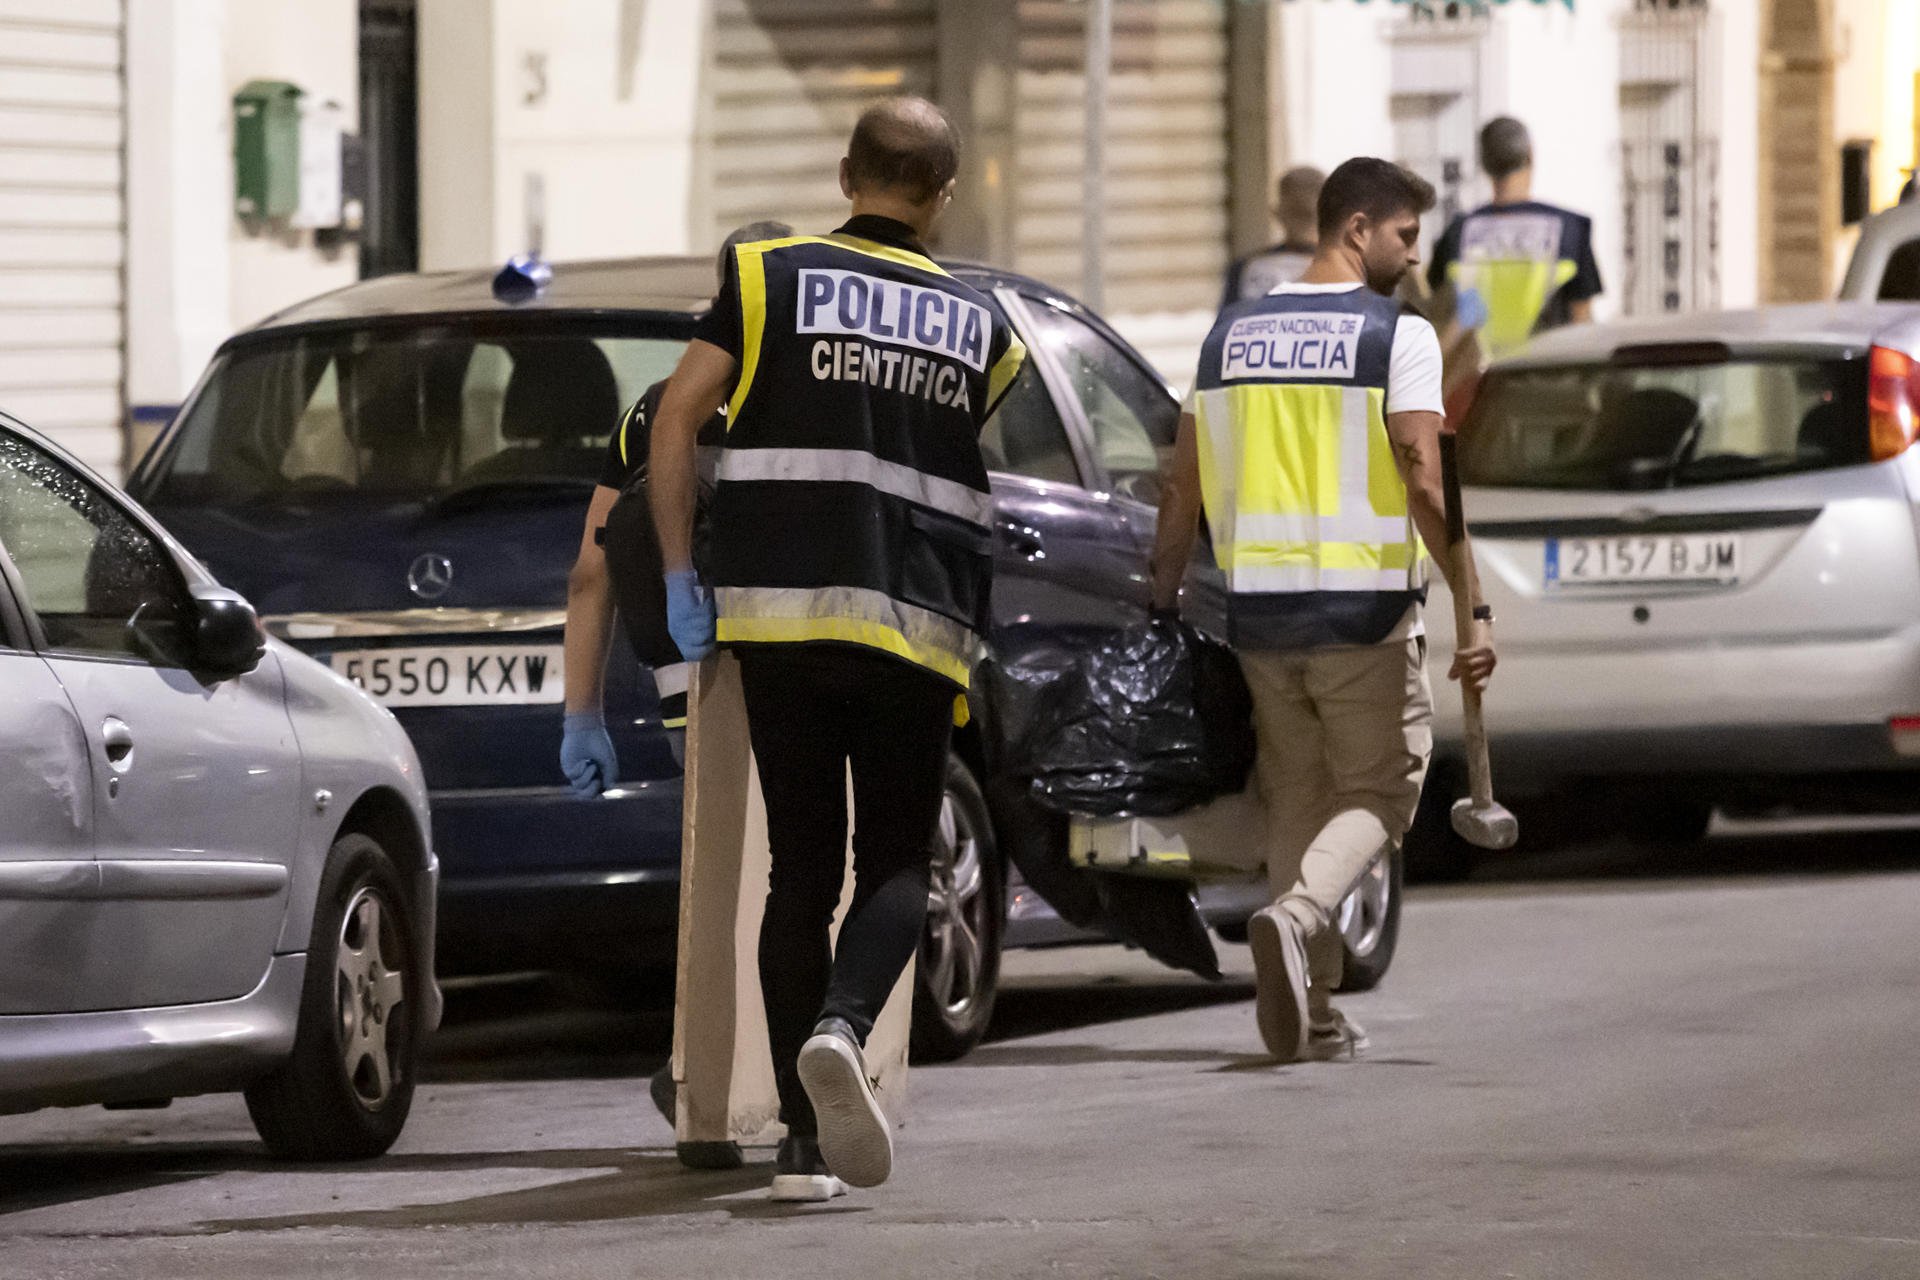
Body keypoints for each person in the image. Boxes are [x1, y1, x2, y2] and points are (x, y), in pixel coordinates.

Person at [647, 96, 1025, 1201]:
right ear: (943, 198)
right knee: (899, 861)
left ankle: (805, 1150)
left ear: (845, 169)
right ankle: (843, 1026)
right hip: (915, 621)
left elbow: (676, 417)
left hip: (779, 615)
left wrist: (679, 574)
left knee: (799, 868)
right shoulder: (984, 325)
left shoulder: (768, 278)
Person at [1149, 157, 1498, 1063]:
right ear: (1356, 230)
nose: (1412, 260)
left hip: (1259, 619)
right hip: (1362, 613)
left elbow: (1180, 484)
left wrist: (1160, 594)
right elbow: (1425, 477)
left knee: (1298, 799)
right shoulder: (1398, 335)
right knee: (1383, 788)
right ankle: (1299, 915)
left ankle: (1314, 1011)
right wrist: (1474, 601)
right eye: (1404, 238)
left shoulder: (1228, 335)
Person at [558, 220, 793, 799]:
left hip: (691, 694)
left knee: (716, 873)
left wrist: (583, 718)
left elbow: (591, 573)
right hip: (803, 683)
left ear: (719, 302)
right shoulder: (818, 398)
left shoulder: (654, 411)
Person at [1427, 116, 1602, 360]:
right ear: (1530, 155)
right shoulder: (1569, 229)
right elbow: (1581, 319)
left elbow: (1440, 312)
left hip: (1480, 383)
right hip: (1549, 377)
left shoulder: (1458, 233)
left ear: (1485, 165)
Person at [1222, 165, 1325, 305]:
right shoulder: (1350, 268)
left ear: (1277, 213)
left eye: (1304, 214)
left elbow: (1227, 323)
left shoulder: (1249, 268)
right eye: (1297, 213)